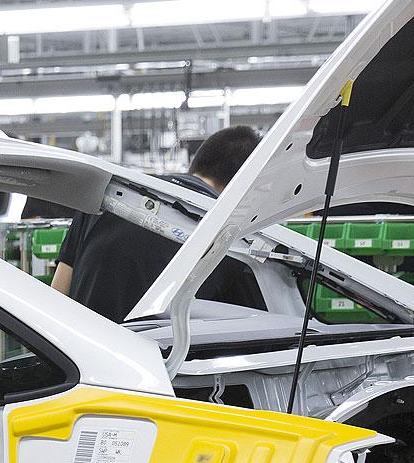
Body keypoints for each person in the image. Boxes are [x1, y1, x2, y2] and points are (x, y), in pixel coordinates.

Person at [49, 124, 263, 319]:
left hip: (79, 347)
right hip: (161, 352)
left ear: (197, 161)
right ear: (247, 183)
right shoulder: (236, 241)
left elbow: (56, 299)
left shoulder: (104, 200)